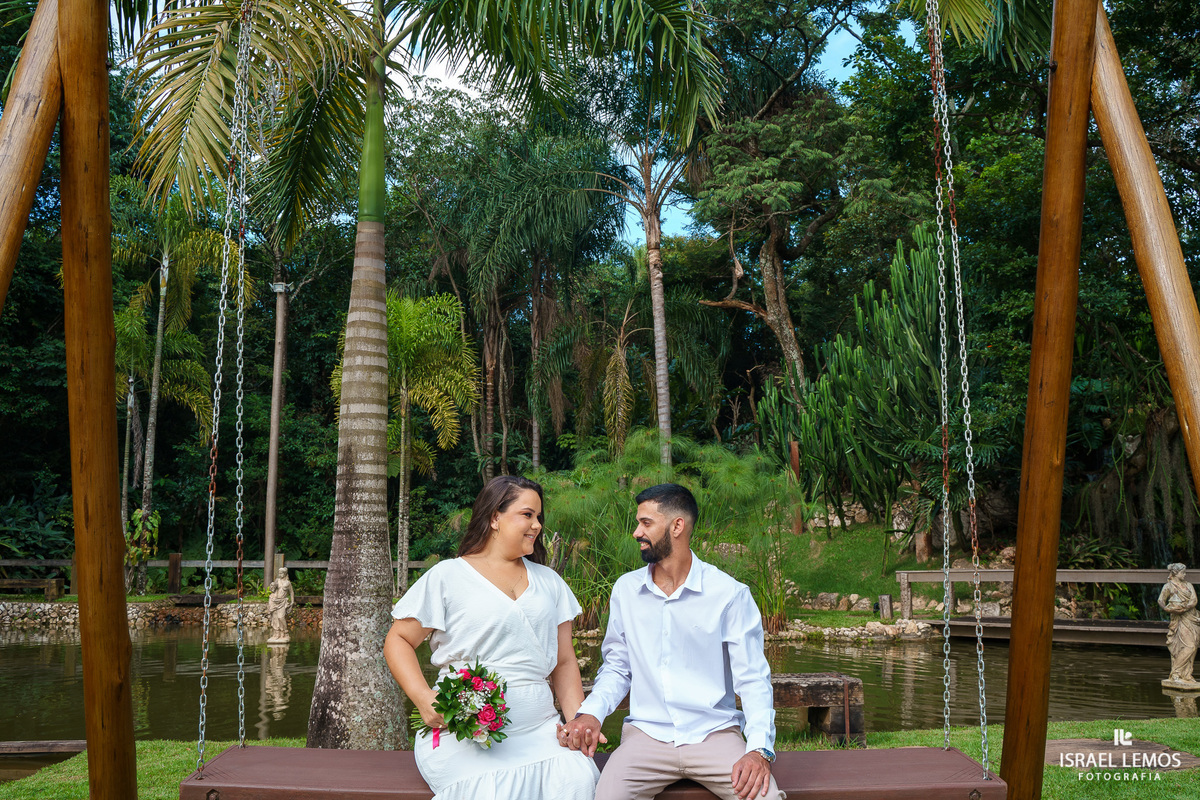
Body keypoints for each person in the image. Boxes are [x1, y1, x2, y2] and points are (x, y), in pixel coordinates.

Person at [560, 483, 783, 800]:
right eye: (638, 522)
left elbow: (753, 679)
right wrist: (591, 713)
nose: (637, 532)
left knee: (766, 798)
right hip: (646, 738)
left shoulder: (729, 595)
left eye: (646, 523)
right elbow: (618, 668)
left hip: (715, 736)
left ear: (677, 526)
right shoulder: (626, 591)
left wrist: (759, 749)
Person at [383, 475, 598, 799]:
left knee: (576, 782)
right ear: (495, 517)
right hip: (464, 736)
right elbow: (398, 640)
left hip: (541, 732)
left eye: (539, 517)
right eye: (527, 514)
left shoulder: (550, 582)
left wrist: (578, 721)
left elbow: (564, 662)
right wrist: (424, 699)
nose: (537, 525)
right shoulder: (447, 576)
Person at [1158, 563, 1199, 685]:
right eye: (1183, 572)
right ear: (1175, 573)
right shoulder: (1168, 586)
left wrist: (1186, 607)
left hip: (1191, 617)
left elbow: (1194, 600)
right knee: (1188, 646)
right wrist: (1168, 609)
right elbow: (1161, 600)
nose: (1185, 575)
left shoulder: (1188, 585)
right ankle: (1175, 673)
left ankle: (1187, 674)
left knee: (1194, 646)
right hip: (1179, 619)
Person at [266, 567, 294, 642]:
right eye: (279, 573)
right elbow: (272, 590)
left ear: (285, 574)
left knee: (281, 617)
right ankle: (276, 633)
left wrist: (292, 601)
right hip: (274, 600)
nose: (280, 574)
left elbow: (291, 592)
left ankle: (285, 632)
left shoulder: (288, 583)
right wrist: (272, 586)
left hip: (282, 601)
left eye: (281, 573)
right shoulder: (277, 580)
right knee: (274, 617)